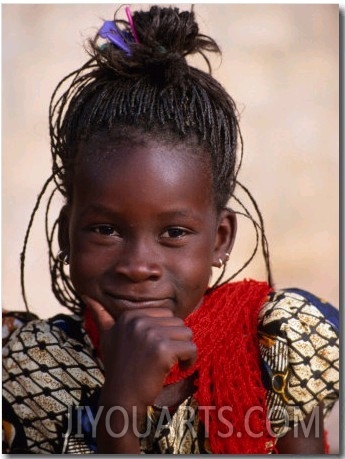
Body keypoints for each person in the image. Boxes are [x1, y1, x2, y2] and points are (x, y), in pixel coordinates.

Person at [2, 5, 339, 454]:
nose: (139, 266)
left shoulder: (275, 351)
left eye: (174, 233)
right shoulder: (29, 372)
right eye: (105, 229)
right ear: (66, 235)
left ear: (220, 239)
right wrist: (120, 405)